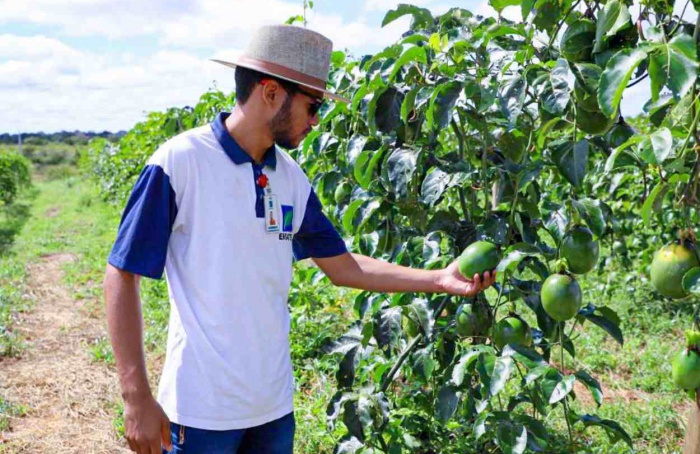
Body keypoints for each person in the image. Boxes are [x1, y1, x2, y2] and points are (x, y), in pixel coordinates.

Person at [102, 25, 497, 454]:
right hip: (202, 410)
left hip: (272, 407)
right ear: (271, 93)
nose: (315, 121)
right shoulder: (180, 162)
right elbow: (122, 273)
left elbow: (344, 267)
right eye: (313, 107)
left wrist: (440, 278)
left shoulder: (289, 177)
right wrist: (135, 395)